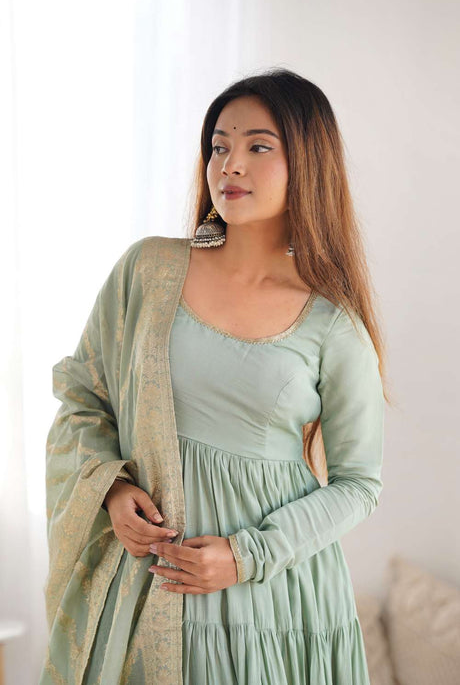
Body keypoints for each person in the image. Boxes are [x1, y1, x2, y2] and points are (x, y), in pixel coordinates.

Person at [40, 68, 389, 685]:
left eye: (259, 146)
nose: (230, 164)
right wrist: (112, 490)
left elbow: (358, 484)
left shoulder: (333, 324)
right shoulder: (149, 270)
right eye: (219, 146)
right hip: (148, 581)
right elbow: (83, 395)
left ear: (307, 166)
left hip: (271, 597)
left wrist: (246, 556)